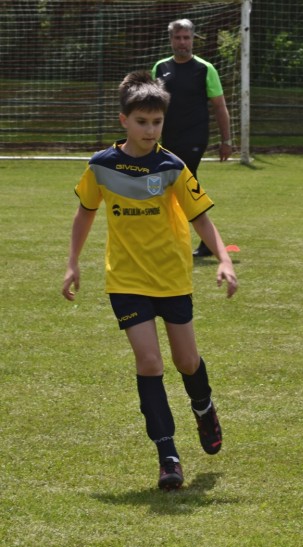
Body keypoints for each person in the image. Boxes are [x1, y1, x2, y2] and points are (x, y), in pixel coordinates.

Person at [62, 70, 238, 490]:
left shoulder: (172, 166)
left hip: (172, 277)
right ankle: (168, 456)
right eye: (142, 122)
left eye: (157, 122)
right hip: (125, 280)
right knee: (150, 363)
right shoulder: (101, 166)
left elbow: (200, 218)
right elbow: (85, 213)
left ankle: (203, 407)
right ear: (124, 120)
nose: (150, 130)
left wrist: (223, 259)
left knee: (186, 362)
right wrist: (72, 263)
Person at [153, 17, 233, 258]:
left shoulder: (204, 69)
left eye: (186, 38)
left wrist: (226, 141)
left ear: (193, 40)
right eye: (178, 37)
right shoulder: (160, 68)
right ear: (171, 40)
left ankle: (199, 240)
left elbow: (220, 106)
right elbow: (153, 106)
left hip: (195, 137)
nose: (182, 42)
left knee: (184, 183)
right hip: (169, 138)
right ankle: (188, 239)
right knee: (178, 187)